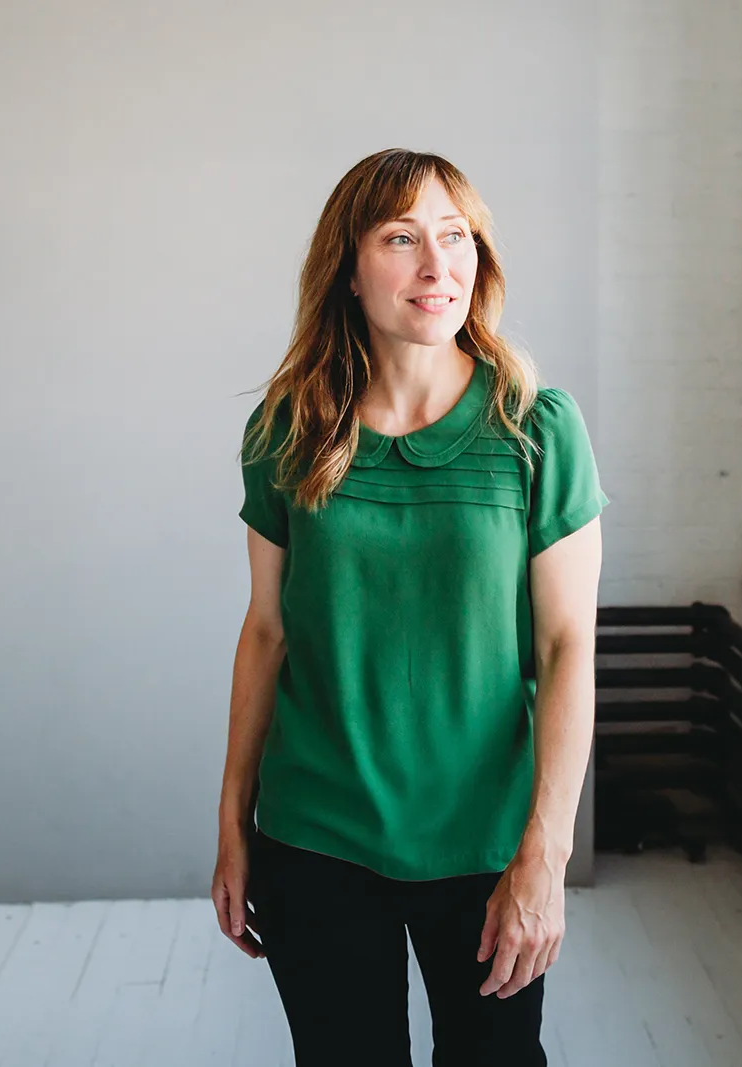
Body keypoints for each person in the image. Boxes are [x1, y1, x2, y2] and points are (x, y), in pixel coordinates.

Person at [210, 148, 608, 1066]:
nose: (438, 266)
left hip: (486, 841)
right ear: (348, 271)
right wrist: (232, 821)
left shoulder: (536, 428)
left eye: (455, 236)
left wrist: (544, 854)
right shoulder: (287, 430)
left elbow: (568, 647)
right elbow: (266, 631)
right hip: (316, 835)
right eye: (401, 238)